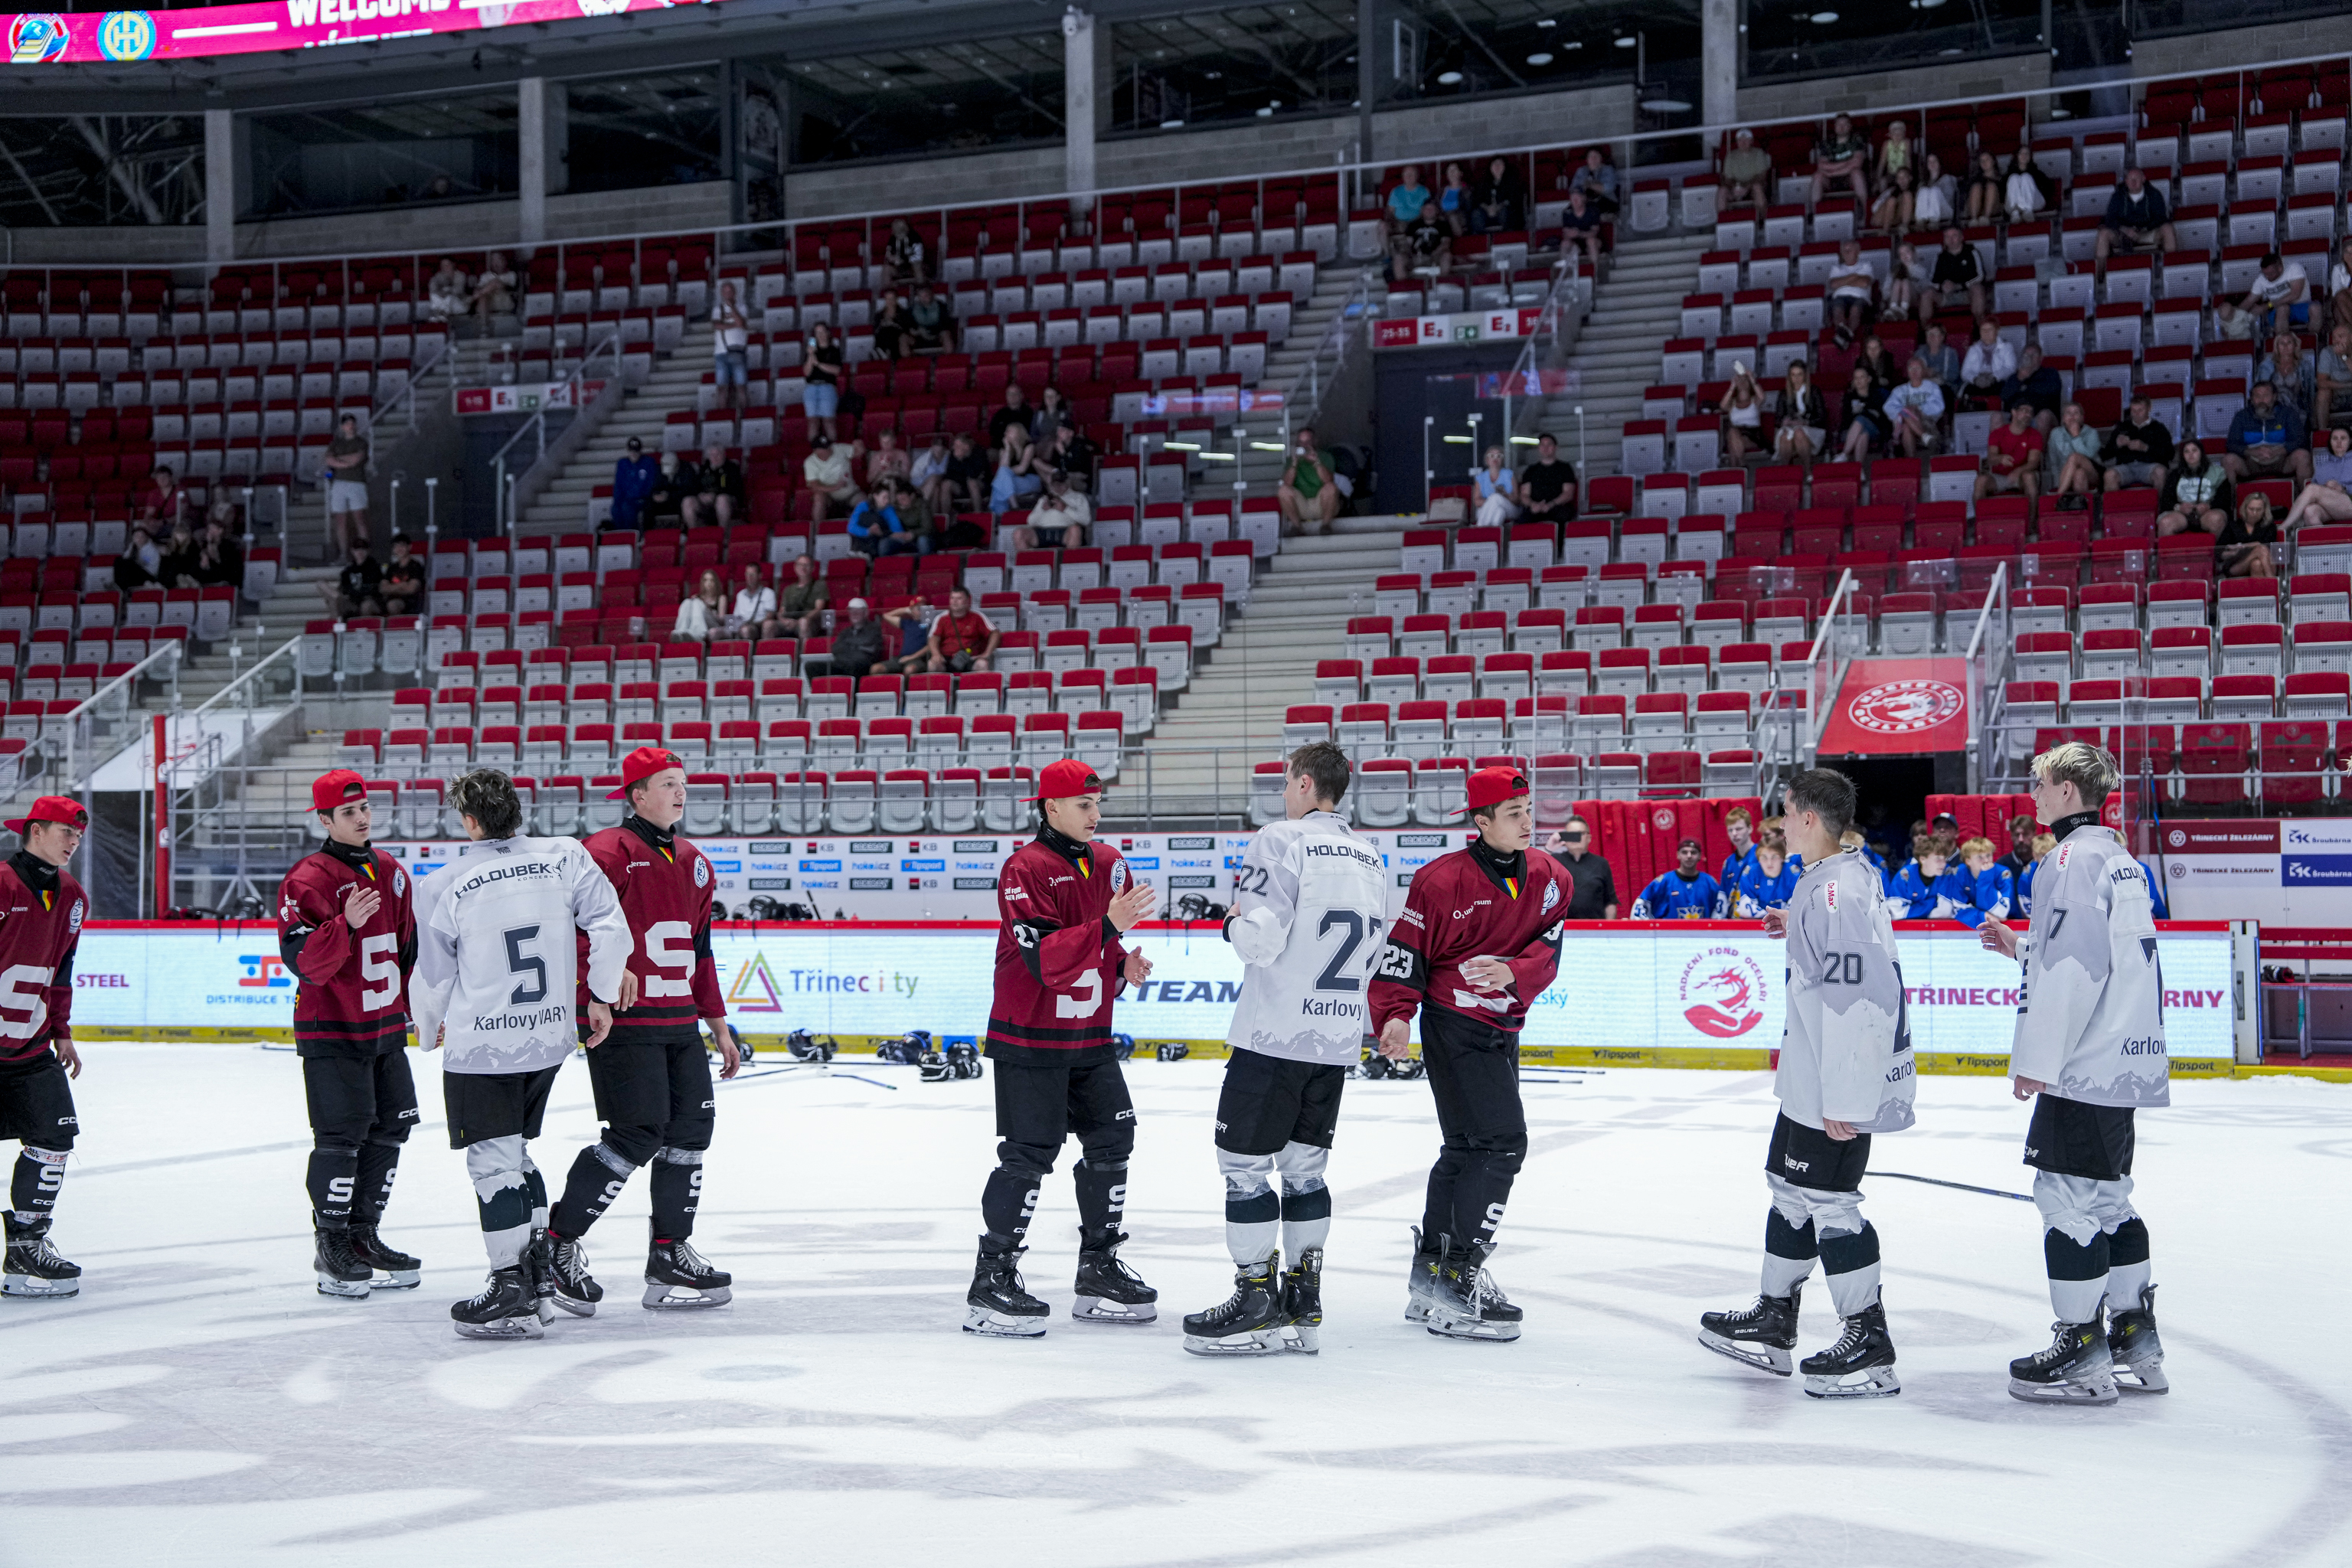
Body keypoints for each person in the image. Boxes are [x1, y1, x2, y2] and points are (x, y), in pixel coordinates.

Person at [1698, 769, 1911, 1398]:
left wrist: (1847, 1096)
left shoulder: (1837, 891)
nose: (1781, 823)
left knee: (1830, 1202)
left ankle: (1868, 1340)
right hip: (1810, 1077)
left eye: (1787, 812)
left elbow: (1857, 1000)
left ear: (1810, 819)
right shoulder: (1830, 879)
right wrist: (1794, 924)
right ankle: (1774, 1316)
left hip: (1833, 1084)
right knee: (1790, 1189)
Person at [1978, 741, 2171, 1405]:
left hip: (2084, 1062)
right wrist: (2021, 946)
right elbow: (2094, 955)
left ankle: (2081, 1349)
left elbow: (2072, 972)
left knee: (2064, 1199)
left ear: (2065, 789)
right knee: (2110, 1200)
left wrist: (2036, 1061)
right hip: (2123, 1059)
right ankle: (2135, 1339)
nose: (2032, 793)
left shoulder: (2066, 860)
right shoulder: (2118, 859)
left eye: (2039, 782)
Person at [1182, 743, 1388, 1357]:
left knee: (1244, 1169)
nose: (1283, 793)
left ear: (1303, 784)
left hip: (1274, 1033)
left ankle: (1254, 1301)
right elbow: (1375, 952)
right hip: (1336, 1038)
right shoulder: (1370, 855)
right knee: (1306, 1171)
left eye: (1285, 782)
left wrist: (1228, 923)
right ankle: (1304, 1302)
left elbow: (1260, 942)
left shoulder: (1281, 839)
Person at [408, 769, 628, 1341]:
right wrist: (601, 993)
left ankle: (510, 1287)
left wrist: (427, 1028)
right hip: (547, 1038)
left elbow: (433, 975)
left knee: (493, 1162)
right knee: (515, 1152)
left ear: (470, 822)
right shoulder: (565, 855)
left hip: (483, 1044)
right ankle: (538, 1278)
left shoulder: (444, 882)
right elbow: (611, 927)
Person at [538, 748, 742, 1318]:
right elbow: (567, 929)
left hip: (680, 1024)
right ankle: (554, 1246)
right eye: (668, 784)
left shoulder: (696, 861)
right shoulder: (605, 852)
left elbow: (701, 951)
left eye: (683, 783)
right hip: (625, 1022)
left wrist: (718, 1025)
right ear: (638, 795)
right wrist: (602, 978)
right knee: (636, 1135)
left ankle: (669, 1253)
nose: (680, 792)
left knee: (691, 1133)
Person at [962, 758, 1159, 1338]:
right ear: (1051, 807)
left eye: (1098, 805)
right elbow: (1044, 957)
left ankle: (1098, 1268)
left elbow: (1096, 940)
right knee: (1029, 1154)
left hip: (1089, 1037)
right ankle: (991, 1279)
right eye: (1083, 805)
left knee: (1113, 1140)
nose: (1095, 815)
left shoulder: (1111, 862)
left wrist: (1121, 963)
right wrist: (1108, 929)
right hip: (1029, 1038)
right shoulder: (1024, 868)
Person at [1369, 766, 1563, 1342]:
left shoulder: (1550, 876)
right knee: (1502, 1144)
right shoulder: (1439, 881)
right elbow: (1405, 953)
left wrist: (1514, 971)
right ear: (1481, 822)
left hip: (1504, 1026)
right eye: (1513, 814)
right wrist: (1396, 1015)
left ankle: (1432, 1275)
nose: (1526, 822)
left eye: (1527, 810)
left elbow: (1550, 944)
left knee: (1465, 1147)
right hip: (1454, 1027)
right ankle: (1459, 1279)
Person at [277, 770, 420, 1300]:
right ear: (324, 819)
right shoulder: (307, 879)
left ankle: (363, 1236)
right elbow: (303, 962)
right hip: (333, 1030)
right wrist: (346, 924)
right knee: (341, 1136)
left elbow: (408, 949)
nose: (361, 819)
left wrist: (417, 1009)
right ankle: (331, 1242)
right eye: (348, 812)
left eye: (364, 808)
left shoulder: (391, 870)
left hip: (385, 1028)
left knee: (392, 1127)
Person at [0, 797, 90, 1300]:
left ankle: (26, 1246)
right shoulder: (2, 884)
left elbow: (62, 969)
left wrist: (61, 1029)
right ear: (35, 830)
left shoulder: (73, 896)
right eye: (65, 832)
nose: (74, 841)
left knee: (55, 1137)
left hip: (31, 1047)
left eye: (78, 834)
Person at [2223, 379, 2312, 485]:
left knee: (2303, 456)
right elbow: (2231, 444)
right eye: (2257, 396)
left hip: (2281, 460)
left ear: (2274, 397)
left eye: (2266, 396)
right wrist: (2252, 452)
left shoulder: (2287, 414)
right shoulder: (2242, 416)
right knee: (2228, 460)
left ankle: (2307, 494)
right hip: (2251, 461)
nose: (2261, 400)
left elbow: (2300, 440)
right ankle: (2231, 495)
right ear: (2252, 399)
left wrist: (2277, 451)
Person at [2096, 168, 2177, 267]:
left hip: (2147, 232)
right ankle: (2101, 272)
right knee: (2103, 234)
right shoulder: (2117, 196)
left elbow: (2160, 217)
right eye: (2130, 179)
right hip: (2123, 234)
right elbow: (2110, 218)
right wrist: (2125, 230)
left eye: (2136, 179)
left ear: (2143, 179)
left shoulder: (2154, 194)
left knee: (2168, 229)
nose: (2133, 182)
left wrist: (2143, 229)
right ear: (2126, 181)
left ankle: (2171, 267)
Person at [2156, 438, 2233, 537]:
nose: (2191, 454)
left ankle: (2214, 548)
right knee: (2166, 523)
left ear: (2201, 452)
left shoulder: (2218, 472)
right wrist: (2179, 507)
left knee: (2216, 519)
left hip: (2209, 511)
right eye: (2187, 451)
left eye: (2194, 450)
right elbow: (2166, 499)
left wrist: (2209, 506)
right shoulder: (2174, 475)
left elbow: (2225, 498)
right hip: (2182, 513)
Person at [1547, 812, 1617, 918]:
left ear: (1589, 838)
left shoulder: (1601, 864)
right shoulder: (1555, 861)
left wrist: (1609, 927)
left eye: (1579, 834)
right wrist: (1548, 849)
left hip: (1594, 925)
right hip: (1561, 925)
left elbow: (1610, 902)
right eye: (1571, 834)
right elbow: (1535, 879)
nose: (1575, 838)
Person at [1632, 838, 1721, 920]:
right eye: (1684, 852)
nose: (1689, 856)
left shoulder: (1710, 883)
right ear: (1678, 855)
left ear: (1700, 856)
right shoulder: (1664, 882)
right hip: (1671, 933)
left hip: (1702, 933)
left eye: (1693, 852)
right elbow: (1640, 906)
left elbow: (1721, 913)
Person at [1936, 837, 2014, 928]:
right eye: (1980, 857)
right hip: (1976, 927)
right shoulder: (1960, 873)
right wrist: (1982, 916)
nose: (1986, 860)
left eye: (1988, 855)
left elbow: (2002, 912)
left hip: (2012, 926)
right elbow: (1958, 909)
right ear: (1968, 861)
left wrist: (1985, 878)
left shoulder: (2003, 873)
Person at [2102, 394, 2174, 491]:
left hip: (2150, 466)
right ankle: (2115, 501)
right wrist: (2117, 445)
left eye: (2140, 410)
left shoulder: (2158, 428)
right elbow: (2105, 455)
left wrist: (2146, 448)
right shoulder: (2122, 427)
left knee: (2160, 472)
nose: (2136, 414)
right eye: (2133, 410)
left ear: (2149, 409)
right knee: (2110, 475)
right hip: (2126, 466)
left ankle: (2161, 501)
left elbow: (2170, 454)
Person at [2284, 424, 2352, 525]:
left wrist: (2344, 489)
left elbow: (2314, 490)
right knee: (2310, 511)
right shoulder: (2322, 467)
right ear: (2330, 442)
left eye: (2343, 438)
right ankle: (2326, 536)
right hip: (2333, 506)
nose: (2339, 442)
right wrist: (2326, 489)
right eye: (2335, 438)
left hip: (2350, 501)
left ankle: (2283, 528)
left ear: (2350, 441)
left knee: (2312, 489)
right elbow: (2314, 495)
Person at [1978, 401, 2047, 502]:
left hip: (2022, 476)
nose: (2028, 415)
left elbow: (2033, 462)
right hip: (1999, 476)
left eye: (2030, 412)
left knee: (2029, 477)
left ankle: (2033, 513)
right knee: (1980, 481)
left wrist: (2018, 471)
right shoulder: (1997, 433)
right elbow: (1991, 458)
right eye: (2025, 411)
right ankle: (1980, 513)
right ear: (2014, 412)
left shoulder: (2035, 435)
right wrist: (2000, 459)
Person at [921, 585, 998, 674]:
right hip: (947, 659)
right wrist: (936, 654)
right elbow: (933, 638)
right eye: (952, 598)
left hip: (969, 657)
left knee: (982, 664)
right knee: (932, 664)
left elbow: (995, 633)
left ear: (967, 601)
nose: (955, 602)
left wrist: (987, 653)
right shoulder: (941, 618)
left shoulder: (977, 617)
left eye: (959, 598)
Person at [323, 414, 370, 555]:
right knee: (340, 521)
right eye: (348, 424)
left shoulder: (361, 442)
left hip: (357, 482)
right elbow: (328, 460)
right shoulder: (336, 443)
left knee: (359, 519)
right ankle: (343, 553)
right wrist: (346, 463)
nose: (351, 426)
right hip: (339, 483)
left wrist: (338, 460)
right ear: (343, 427)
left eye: (352, 423)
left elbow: (356, 459)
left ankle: (364, 553)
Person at [1279, 426, 1340, 534]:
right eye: (1301, 442)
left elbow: (1328, 480)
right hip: (1302, 506)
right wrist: (1294, 464)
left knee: (1331, 488)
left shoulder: (1325, 457)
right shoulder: (1291, 460)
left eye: (1308, 442)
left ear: (1314, 442)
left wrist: (1316, 462)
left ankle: (1326, 526)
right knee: (1283, 490)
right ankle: (1296, 527)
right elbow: (1287, 483)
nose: (1304, 445)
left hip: (1321, 504)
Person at [1883, 356, 1945, 458]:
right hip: (1903, 426)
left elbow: (1939, 407)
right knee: (1906, 421)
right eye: (1911, 369)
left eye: (1918, 368)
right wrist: (1906, 410)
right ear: (1907, 371)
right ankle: (1925, 437)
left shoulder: (1932, 387)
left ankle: (1912, 462)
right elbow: (1888, 407)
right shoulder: (1899, 390)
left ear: (1924, 370)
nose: (1914, 372)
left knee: (1906, 422)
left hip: (1927, 423)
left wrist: (1918, 409)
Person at [1921, 227, 1986, 324]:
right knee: (1927, 294)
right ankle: (1926, 328)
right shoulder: (1940, 257)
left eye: (1954, 236)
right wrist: (1942, 286)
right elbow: (1932, 281)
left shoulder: (1972, 252)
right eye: (1947, 237)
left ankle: (1980, 326)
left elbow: (1980, 276)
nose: (1951, 239)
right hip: (1945, 295)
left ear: (1961, 237)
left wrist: (1959, 286)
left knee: (1978, 289)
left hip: (1967, 294)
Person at [2045, 402, 2105, 506]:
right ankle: (2081, 510)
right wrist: (2058, 483)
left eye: (2076, 413)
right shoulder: (2056, 433)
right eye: (2068, 413)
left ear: (2082, 418)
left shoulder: (2091, 433)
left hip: (2093, 473)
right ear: (2063, 418)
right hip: (2066, 476)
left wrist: (2076, 437)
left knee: (2074, 457)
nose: (2072, 417)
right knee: (2079, 474)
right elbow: (2054, 462)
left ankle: (2057, 499)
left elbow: (2088, 456)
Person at [1517, 432, 1579, 529]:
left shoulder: (1565, 468)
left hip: (1558, 507)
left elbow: (1568, 494)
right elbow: (1524, 495)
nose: (1545, 448)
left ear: (1555, 447)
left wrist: (1551, 505)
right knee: (1522, 520)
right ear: (1539, 448)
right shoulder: (1530, 470)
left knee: (1564, 517)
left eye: (1549, 444)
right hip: (1535, 508)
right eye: (1542, 445)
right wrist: (1533, 505)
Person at [2242, 250, 2310, 338]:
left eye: (2270, 274)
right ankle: (2282, 343)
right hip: (2278, 311)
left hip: (2301, 306)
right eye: (2265, 274)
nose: (2267, 277)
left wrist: (2267, 306)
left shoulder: (2294, 268)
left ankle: (2313, 341)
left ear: (2280, 268)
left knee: (2316, 309)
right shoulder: (2261, 280)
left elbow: (2295, 295)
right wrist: (2234, 314)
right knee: (2283, 308)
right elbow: (2249, 300)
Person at [1019, 469, 1089, 550]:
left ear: (1067, 482)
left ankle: (1069, 557)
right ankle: (1029, 558)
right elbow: (1030, 522)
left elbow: (1086, 520)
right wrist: (1042, 510)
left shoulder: (1078, 498)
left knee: (1075, 530)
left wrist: (1065, 509)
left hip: (1066, 531)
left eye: (1061, 484)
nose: (1058, 486)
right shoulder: (1044, 499)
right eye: (1055, 484)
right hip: (1042, 532)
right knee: (1019, 533)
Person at [2215, 492, 2280, 579]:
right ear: (2245, 508)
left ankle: (2265, 586)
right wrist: (2233, 553)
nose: (2254, 513)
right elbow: (2219, 552)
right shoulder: (2233, 526)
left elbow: (2267, 545)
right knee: (2261, 550)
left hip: (2264, 561)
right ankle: (2273, 581)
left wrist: (2241, 546)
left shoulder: (2269, 526)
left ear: (2264, 510)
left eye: (2259, 510)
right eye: (2251, 509)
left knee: (2256, 564)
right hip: (2237, 565)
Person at [1998, 345, 2064, 432]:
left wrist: (2028, 385)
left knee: (2044, 416)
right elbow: (2004, 396)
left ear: (2041, 358)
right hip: (2017, 416)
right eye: (2027, 355)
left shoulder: (2050, 373)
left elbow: (2053, 390)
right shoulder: (2015, 377)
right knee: (1996, 417)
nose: (2030, 358)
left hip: (2040, 414)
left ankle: (2038, 441)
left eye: (2034, 355)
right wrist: (2019, 380)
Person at [846, 482, 922, 557]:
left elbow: (897, 530)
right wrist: (869, 531)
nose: (887, 501)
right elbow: (851, 527)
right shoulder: (863, 506)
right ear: (875, 496)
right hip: (864, 538)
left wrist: (882, 533)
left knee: (884, 544)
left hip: (883, 538)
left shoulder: (889, 509)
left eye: (888, 498)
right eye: (884, 497)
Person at [1386, 164, 1433, 281]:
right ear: (1403, 176)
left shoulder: (1424, 191)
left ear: (1417, 176)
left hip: (1417, 222)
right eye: (1406, 174)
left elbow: (1427, 211)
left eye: (1412, 174)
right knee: (1382, 227)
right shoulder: (1396, 191)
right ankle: (1387, 255)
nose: (1409, 177)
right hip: (1398, 222)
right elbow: (1390, 212)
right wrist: (1391, 222)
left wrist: (1415, 223)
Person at [821, 596, 888, 679]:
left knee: (853, 665)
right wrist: (856, 647)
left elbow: (870, 650)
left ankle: (854, 687)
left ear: (866, 613)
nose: (854, 614)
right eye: (851, 611)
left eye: (858, 611)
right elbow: (836, 649)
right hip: (844, 663)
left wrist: (849, 646)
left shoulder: (873, 629)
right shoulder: (845, 632)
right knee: (813, 667)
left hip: (863, 665)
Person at [2257, 330, 2316, 424]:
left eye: (2289, 343)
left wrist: (2312, 416)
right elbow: (2260, 391)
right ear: (2277, 347)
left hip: (2296, 408)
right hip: (2272, 408)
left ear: (2295, 345)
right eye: (2282, 343)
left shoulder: (2305, 366)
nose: (2285, 346)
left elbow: (2310, 393)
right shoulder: (2266, 366)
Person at [1733, 835, 1800, 916]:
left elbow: (1798, 905)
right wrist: (1771, 918)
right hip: (1755, 922)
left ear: (1782, 858)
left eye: (1774, 857)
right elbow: (1744, 907)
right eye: (1764, 857)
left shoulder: (1793, 873)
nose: (1769, 863)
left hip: (1786, 922)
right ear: (1758, 859)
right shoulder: (1750, 873)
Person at [1774, 363, 1829, 462]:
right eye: (1793, 375)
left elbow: (1822, 417)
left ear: (1805, 376)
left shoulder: (1814, 391)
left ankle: (1807, 469)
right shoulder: (1783, 394)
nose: (1796, 378)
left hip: (1812, 428)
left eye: (1800, 374)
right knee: (1786, 435)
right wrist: (1784, 422)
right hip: (1790, 428)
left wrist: (1805, 423)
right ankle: (1786, 469)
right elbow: (1778, 419)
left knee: (1799, 432)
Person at [1812, 114, 1870, 207]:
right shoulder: (1827, 143)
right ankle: (1815, 210)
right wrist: (1847, 163)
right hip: (1830, 179)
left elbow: (1857, 163)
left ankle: (1865, 209)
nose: (1842, 127)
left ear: (1850, 126)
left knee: (1857, 173)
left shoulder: (1857, 140)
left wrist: (1833, 172)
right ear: (1835, 126)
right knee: (1817, 176)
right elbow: (1822, 166)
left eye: (1845, 124)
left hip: (1849, 177)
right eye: (1839, 124)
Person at [710, 281, 750, 413]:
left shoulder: (742, 307)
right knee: (722, 387)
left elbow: (741, 322)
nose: (728, 294)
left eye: (730, 291)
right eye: (725, 291)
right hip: (721, 351)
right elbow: (717, 325)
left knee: (741, 386)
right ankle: (722, 414)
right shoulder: (718, 309)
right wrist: (734, 325)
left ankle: (744, 413)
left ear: (734, 292)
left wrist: (732, 308)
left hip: (738, 351)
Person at [1887, 835, 1951, 919]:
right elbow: (1895, 912)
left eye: (1945, 858)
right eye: (1938, 858)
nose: (1943, 863)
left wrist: (1916, 908)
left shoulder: (1947, 875)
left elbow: (1945, 912)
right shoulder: (1905, 876)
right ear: (1923, 859)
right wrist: (1931, 903)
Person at [1836, 364, 1890, 462]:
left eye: (1862, 377)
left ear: (1869, 379)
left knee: (1861, 419)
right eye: (1856, 378)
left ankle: (1845, 454)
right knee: (1863, 434)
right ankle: (1859, 467)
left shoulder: (1876, 396)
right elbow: (1846, 419)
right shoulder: (1849, 397)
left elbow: (1879, 418)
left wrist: (1861, 413)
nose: (1858, 380)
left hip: (1874, 430)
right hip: (1850, 431)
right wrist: (1867, 412)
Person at [1960, 316, 2017, 409]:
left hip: (1997, 381)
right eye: (1983, 330)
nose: (1986, 333)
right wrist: (1975, 379)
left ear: (1997, 331)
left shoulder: (2006, 347)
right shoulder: (1973, 349)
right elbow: (1965, 372)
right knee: (1968, 392)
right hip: (1978, 381)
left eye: (1990, 329)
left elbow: (2011, 368)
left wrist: (1994, 377)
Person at [684, 443, 744, 528]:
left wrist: (715, 495)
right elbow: (694, 486)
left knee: (722, 499)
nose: (715, 457)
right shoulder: (703, 468)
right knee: (687, 501)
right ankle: (693, 532)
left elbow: (734, 488)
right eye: (712, 455)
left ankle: (722, 532)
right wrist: (700, 495)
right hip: (705, 501)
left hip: (727, 500)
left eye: (718, 454)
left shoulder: (732, 467)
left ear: (723, 454)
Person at [802, 435, 860, 524]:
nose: (828, 449)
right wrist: (836, 487)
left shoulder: (839, 448)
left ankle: (860, 529)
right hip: (829, 496)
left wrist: (859, 444)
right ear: (816, 450)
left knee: (864, 503)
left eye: (828, 446)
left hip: (850, 493)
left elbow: (858, 452)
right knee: (818, 498)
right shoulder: (810, 462)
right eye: (824, 448)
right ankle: (817, 528)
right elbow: (814, 485)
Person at [1826, 239, 1876, 342]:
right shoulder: (1836, 268)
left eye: (1850, 250)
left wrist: (1842, 281)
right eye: (1845, 250)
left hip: (1860, 297)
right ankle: (1842, 333)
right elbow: (1833, 284)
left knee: (1855, 309)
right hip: (1840, 297)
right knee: (1837, 309)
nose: (1847, 253)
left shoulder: (1866, 265)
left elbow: (1864, 283)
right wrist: (1855, 276)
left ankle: (1848, 335)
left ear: (1857, 252)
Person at [802, 321, 843, 442]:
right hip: (811, 387)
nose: (820, 335)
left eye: (822, 332)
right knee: (812, 421)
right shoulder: (811, 351)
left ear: (827, 333)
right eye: (817, 333)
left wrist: (819, 364)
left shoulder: (834, 350)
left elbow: (836, 370)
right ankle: (814, 449)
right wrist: (811, 356)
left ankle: (832, 446)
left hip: (827, 386)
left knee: (828, 420)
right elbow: (806, 372)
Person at [774, 554, 826, 641]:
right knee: (768, 625)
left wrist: (801, 620)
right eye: (800, 565)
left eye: (806, 565)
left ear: (813, 568)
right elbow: (781, 611)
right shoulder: (788, 589)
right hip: (789, 622)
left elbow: (819, 608)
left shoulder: (819, 586)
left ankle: (804, 649)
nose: (803, 568)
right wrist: (784, 621)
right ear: (795, 567)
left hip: (810, 622)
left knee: (803, 622)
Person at [1470, 155, 1527, 234]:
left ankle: (1507, 236)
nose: (1497, 167)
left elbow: (1514, 199)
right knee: (1476, 214)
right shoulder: (1483, 183)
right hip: (1487, 213)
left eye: (1500, 164)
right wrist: (1487, 208)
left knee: (1506, 212)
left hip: (1504, 212)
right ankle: (1479, 238)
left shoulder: (1512, 182)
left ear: (1505, 167)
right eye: (1494, 164)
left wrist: (1498, 207)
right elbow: (1477, 199)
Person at [1723, 363, 1767, 461]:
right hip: (1736, 433)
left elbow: (1762, 397)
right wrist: (1732, 386)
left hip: (1752, 435)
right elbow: (1723, 406)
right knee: (1732, 434)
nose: (1742, 382)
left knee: (1732, 440)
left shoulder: (1755, 401)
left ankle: (1737, 466)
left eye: (1745, 380)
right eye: (1740, 380)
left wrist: (1751, 377)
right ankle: (1741, 464)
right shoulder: (1733, 404)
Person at [672, 568, 730, 642]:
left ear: (716, 582)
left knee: (697, 603)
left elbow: (721, 620)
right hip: (701, 622)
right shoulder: (699, 597)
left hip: (713, 623)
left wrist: (707, 608)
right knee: (687, 602)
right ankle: (680, 631)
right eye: (706, 580)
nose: (709, 583)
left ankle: (698, 634)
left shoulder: (721, 598)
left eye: (711, 580)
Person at [1720, 129, 1771, 210]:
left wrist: (1747, 187)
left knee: (1757, 187)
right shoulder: (1730, 156)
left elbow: (1762, 176)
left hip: (1753, 187)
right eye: (1740, 140)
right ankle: (1723, 217)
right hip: (1736, 188)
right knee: (1722, 191)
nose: (1743, 143)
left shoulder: (1758, 153)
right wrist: (1736, 187)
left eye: (1746, 140)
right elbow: (1727, 179)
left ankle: (1762, 216)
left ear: (1751, 141)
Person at [941, 432, 990, 515]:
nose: (954, 448)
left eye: (957, 446)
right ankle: (945, 517)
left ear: (966, 447)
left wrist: (962, 460)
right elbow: (949, 475)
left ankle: (978, 514)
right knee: (946, 484)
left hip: (981, 485)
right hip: (961, 485)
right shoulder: (953, 454)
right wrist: (959, 464)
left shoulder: (979, 452)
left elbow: (974, 474)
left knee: (972, 483)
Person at [1560, 186, 1605, 275]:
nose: (1575, 200)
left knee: (1591, 241)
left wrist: (1579, 233)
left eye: (1578, 197)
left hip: (1594, 241)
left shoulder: (1592, 211)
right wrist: (1571, 234)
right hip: (1575, 243)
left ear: (1584, 198)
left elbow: (1594, 232)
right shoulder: (1567, 212)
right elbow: (1565, 233)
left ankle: (1595, 271)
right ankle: (1564, 272)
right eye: (1573, 198)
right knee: (1565, 244)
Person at [334, 537, 384, 619]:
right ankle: (337, 623)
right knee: (332, 596)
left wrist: (352, 592)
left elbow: (373, 589)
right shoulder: (348, 570)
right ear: (352, 551)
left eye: (363, 548)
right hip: (353, 601)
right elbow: (343, 587)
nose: (360, 551)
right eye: (357, 549)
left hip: (370, 601)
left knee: (366, 606)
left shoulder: (374, 568)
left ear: (368, 551)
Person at [469, 250, 518, 330]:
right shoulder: (485, 276)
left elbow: (507, 287)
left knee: (496, 283)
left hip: (504, 302)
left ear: (505, 261)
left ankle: (470, 300)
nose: (496, 263)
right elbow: (478, 289)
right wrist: (488, 288)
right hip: (488, 304)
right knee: (483, 298)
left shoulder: (511, 275)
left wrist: (491, 285)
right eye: (493, 260)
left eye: (498, 260)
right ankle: (484, 326)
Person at [2317, 322, 2352, 431]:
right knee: (2323, 393)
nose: (2336, 341)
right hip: (2336, 394)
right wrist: (2347, 385)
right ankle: (2322, 432)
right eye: (2334, 338)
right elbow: (2321, 382)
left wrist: (2344, 357)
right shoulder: (2327, 352)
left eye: (2341, 336)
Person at [730, 563, 778, 642]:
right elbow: (736, 617)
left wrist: (751, 624)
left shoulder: (768, 593)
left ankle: (750, 650)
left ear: (760, 576)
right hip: (740, 626)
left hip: (758, 627)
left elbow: (770, 616)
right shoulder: (740, 595)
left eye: (752, 575)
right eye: (747, 574)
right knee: (716, 632)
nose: (749, 577)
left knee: (746, 630)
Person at [1473, 444, 1516, 527]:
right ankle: (1491, 534)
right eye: (1492, 456)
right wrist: (1492, 502)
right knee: (1499, 512)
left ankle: (1478, 529)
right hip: (1489, 509)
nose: (1495, 459)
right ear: (1487, 460)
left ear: (1502, 460)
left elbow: (1517, 500)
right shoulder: (1481, 478)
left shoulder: (1509, 474)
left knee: (1496, 497)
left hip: (1510, 508)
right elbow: (1477, 502)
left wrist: (1504, 496)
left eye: (1499, 456)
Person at [907, 283, 957, 353]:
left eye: (926, 295)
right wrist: (916, 331)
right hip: (919, 336)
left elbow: (945, 324)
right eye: (921, 296)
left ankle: (950, 357)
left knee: (946, 335)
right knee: (904, 338)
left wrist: (930, 330)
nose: (924, 298)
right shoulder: (912, 310)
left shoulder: (941, 307)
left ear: (931, 294)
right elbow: (909, 324)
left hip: (937, 335)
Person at [1570, 146, 1620, 215]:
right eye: (1591, 156)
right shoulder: (1581, 171)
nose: (1593, 159)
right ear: (1587, 159)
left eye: (1596, 156)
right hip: (1586, 201)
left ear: (1601, 158)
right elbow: (1574, 188)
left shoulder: (1608, 170)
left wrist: (1589, 185)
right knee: (1570, 211)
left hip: (1607, 201)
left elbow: (1609, 187)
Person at [1719, 805, 1758, 891]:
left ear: (1750, 829)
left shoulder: (1761, 856)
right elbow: (1723, 894)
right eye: (1730, 830)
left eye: (1739, 829)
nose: (1734, 834)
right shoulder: (1728, 863)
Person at [1911, 152, 1954, 230]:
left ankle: (1933, 221)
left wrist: (1933, 195)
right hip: (1927, 212)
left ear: (1939, 163)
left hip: (1945, 210)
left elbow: (1949, 198)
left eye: (1934, 161)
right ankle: (1921, 221)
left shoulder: (1946, 179)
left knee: (1934, 190)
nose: (1932, 164)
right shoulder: (1923, 183)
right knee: (1923, 190)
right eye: (1930, 162)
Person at [1883, 240, 1924, 319]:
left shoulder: (1920, 270)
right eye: (1901, 254)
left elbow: (1924, 288)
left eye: (1907, 252)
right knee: (1898, 282)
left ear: (1913, 253)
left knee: (1905, 282)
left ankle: (1903, 309)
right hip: (1895, 297)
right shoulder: (1894, 271)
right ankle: (1893, 308)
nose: (1905, 256)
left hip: (1914, 299)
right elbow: (1886, 289)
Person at [114, 524, 162, 593]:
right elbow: (125, 559)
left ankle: (124, 586)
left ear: (146, 537)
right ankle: (118, 585)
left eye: (142, 536)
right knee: (118, 560)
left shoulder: (151, 550)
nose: (139, 539)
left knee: (129, 563)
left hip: (149, 574)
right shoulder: (132, 546)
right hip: (136, 572)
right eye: (137, 536)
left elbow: (151, 568)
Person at [2004, 147, 2047, 223]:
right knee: (2014, 178)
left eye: (2027, 154)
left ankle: (2028, 211)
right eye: (2021, 153)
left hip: (2034, 204)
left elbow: (2046, 189)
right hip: (2013, 206)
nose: (2024, 156)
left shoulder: (2037, 174)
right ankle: (2015, 213)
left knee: (2026, 177)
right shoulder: (2008, 175)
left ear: (2030, 157)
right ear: (2017, 156)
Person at [1872, 165, 1916, 237]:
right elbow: (1874, 208)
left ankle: (1904, 227)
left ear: (1910, 178)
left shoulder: (1916, 192)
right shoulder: (1890, 191)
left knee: (1907, 195)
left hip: (1897, 219)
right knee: (1891, 201)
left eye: (1904, 177)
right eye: (1899, 178)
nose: (1902, 180)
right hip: (1880, 218)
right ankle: (1885, 231)